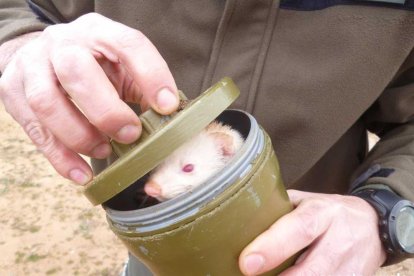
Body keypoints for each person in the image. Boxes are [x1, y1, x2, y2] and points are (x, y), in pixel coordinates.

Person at [1, 1, 414, 275]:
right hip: (160, 248)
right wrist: (17, 42)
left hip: (310, 255)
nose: (153, 186)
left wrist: (382, 212)